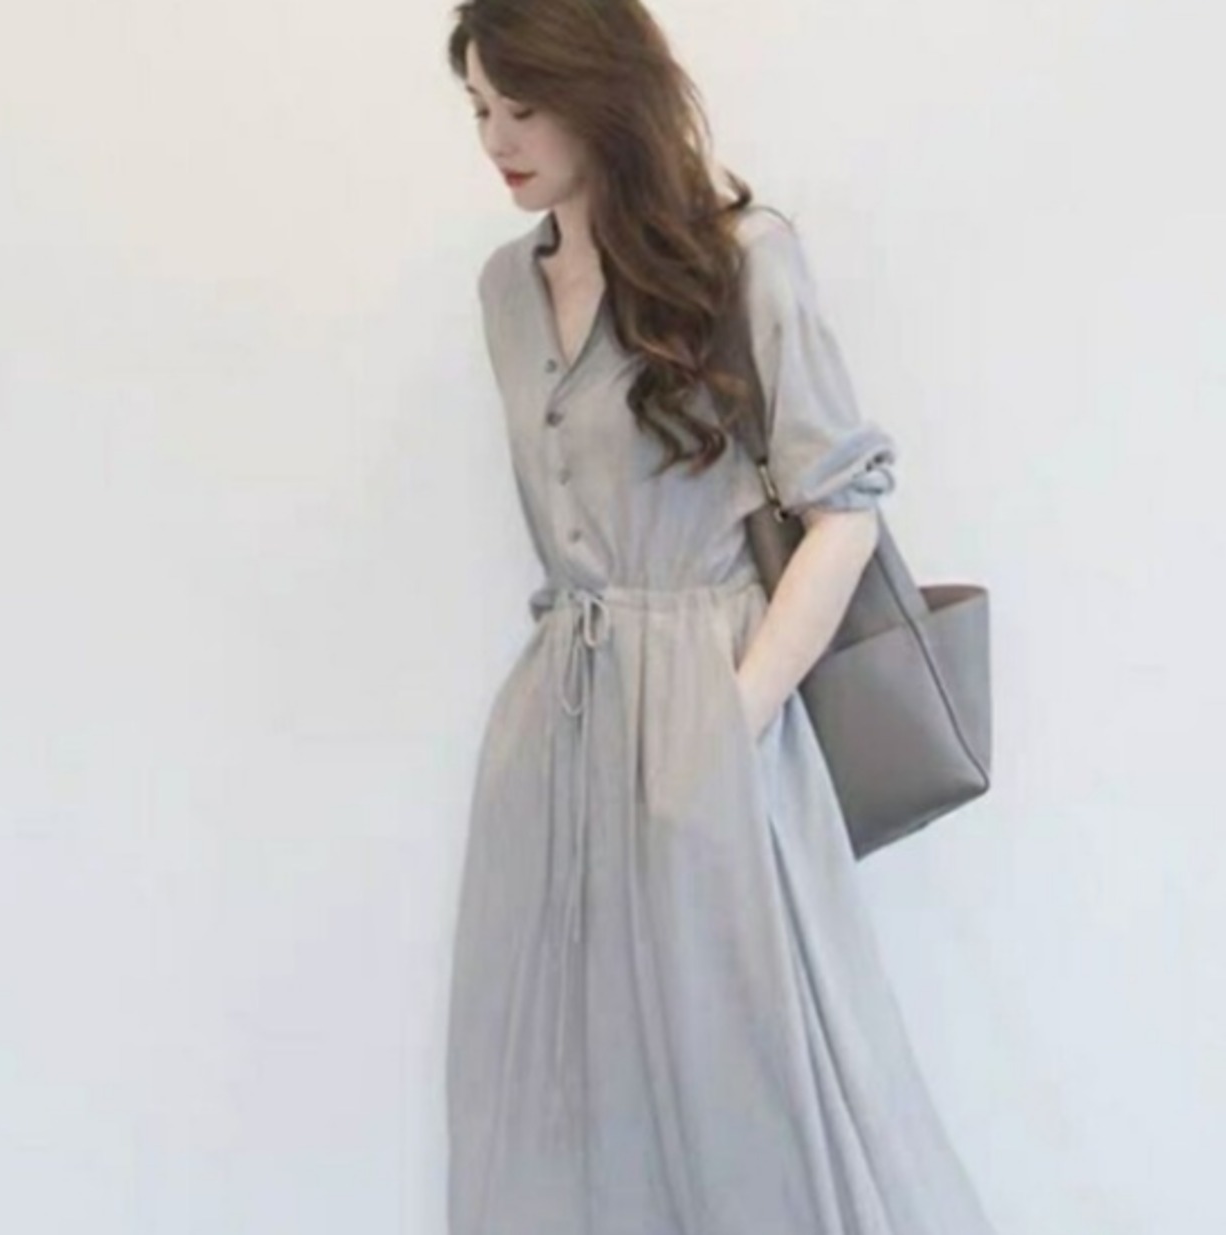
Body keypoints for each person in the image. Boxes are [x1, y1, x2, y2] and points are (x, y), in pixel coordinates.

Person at [443, 2, 1000, 1232]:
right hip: (558, 728)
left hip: (715, 705)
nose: (495, 139)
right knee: (569, 1084)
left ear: (599, 93)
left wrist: (726, 718)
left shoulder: (741, 256)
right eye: (477, 108)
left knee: (749, 1071)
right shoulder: (502, 290)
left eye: (520, 107)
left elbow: (841, 513)